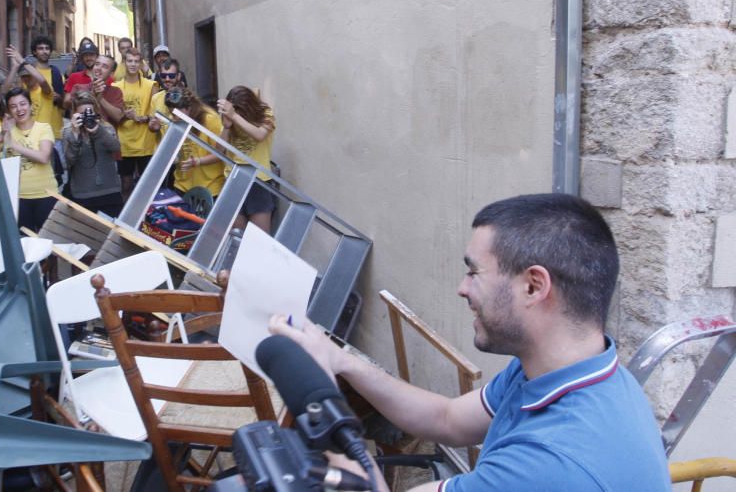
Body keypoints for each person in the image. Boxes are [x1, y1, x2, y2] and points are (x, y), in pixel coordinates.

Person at [269, 193, 671, 492]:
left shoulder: (550, 462)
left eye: (473, 272)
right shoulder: (568, 370)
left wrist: (334, 435)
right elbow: (447, 419)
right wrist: (340, 361)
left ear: (533, 286)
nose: (462, 289)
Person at [218, 85, 277, 232]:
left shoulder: (266, 114)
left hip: (258, 181)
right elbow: (219, 150)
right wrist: (226, 127)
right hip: (233, 179)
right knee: (236, 236)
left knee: (258, 237)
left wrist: (234, 116)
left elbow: (259, 135)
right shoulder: (231, 117)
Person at [2, 87, 58, 232]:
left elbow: (44, 156)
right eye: (13, 106)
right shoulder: (6, 133)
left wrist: (14, 145)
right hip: (19, 197)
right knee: (26, 246)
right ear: (8, 111)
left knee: (50, 244)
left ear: (30, 105)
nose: (19, 109)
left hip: (46, 194)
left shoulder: (43, 128)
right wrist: (1, 138)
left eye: (22, 104)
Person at [62, 90, 124, 218]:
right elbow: (68, 162)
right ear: (75, 115)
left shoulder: (106, 128)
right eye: (82, 114)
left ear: (96, 112)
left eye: (90, 112)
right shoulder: (69, 132)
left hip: (109, 193)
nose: (87, 117)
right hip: (83, 195)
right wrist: (75, 135)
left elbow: (116, 147)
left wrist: (98, 131)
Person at [162, 87, 225, 197]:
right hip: (182, 184)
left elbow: (221, 153)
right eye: (171, 114)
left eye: (177, 114)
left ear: (189, 108)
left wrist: (198, 161)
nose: (174, 118)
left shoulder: (210, 119)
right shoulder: (174, 120)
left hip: (209, 186)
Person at [113, 47, 157, 200]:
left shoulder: (151, 85)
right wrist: (125, 116)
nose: (133, 64)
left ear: (141, 64)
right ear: (124, 63)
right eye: (129, 61)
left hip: (146, 142)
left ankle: (146, 218)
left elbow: (156, 113)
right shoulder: (115, 87)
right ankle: (125, 219)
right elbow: (113, 117)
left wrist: (143, 118)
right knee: (126, 184)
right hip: (124, 143)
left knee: (146, 185)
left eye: (136, 61)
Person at [64, 53, 124, 125]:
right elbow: (72, 111)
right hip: (83, 134)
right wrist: (92, 94)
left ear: (111, 74)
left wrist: (100, 98)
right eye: (97, 64)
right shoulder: (78, 87)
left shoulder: (115, 91)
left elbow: (118, 118)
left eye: (105, 66)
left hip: (107, 134)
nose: (99, 68)